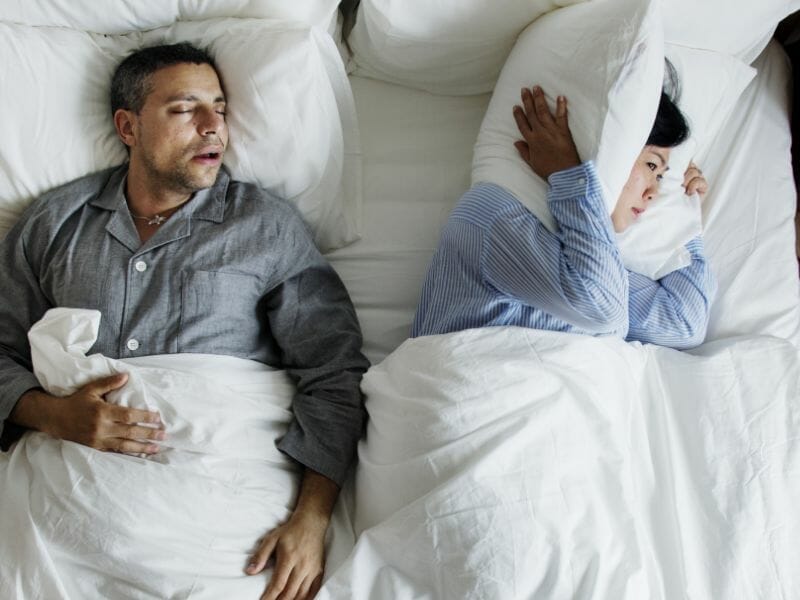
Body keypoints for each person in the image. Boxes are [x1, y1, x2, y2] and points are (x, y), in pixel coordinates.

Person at [0, 42, 369, 600]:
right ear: (128, 126)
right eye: (183, 109)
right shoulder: (55, 224)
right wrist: (51, 414)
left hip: (218, 507)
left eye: (219, 108)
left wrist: (312, 518)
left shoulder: (265, 227)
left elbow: (332, 372)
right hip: (65, 502)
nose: (212, 127)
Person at [412, 84, 715, 350]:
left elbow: (684, 323)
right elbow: (602, 308)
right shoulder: (492, 214)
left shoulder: (594, 258)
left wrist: (683, 208)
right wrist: (568, 174)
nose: (654, 193)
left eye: (662, 177)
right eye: (651, 166)